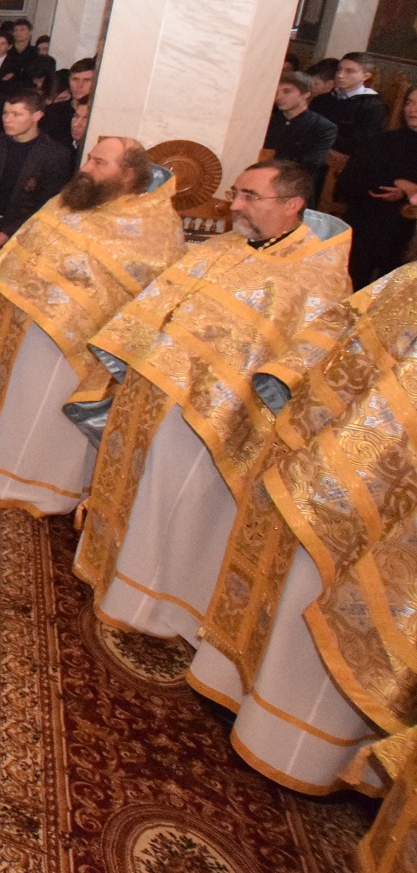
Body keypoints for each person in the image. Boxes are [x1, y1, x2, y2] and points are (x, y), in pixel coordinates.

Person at [71, 161, 351, 651]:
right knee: (141, 487)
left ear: (292, 205)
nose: (234, 206)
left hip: (214, 419)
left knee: (179, 505)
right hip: (154, 395)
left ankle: (155, 604)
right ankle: (112, 575)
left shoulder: (318, 279)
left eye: (249, 197)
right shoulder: (225, 246)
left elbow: (294, 366)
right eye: (235, 193)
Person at [187, 260, 417, 793]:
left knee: (351, 611)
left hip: (375, 491)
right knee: (290, 591)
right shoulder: (407, 279)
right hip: (326, 456)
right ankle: (245, 695)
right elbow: (348, 327)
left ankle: (299, 749)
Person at [0, 136, 184, 514]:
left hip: (74, 345)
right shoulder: (72, 199)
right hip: (21, 321)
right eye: (89, 158)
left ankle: (40, 487)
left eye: (99, 162)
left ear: (127, 174)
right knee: (14, 399)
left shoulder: (155, 226)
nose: (86, 168)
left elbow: (143, 298)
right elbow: (28, 243)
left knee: (44, 412)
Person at [0, 89, 73, 266]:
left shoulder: (55, 154)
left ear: (36, 115)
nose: (8, 119)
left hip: (21, 238)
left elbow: (48, 203)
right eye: (5, 113)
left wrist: (6, 234)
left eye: (16, 114)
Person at [339, 86, 417, 287]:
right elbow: (346, 185)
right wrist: (391, 184)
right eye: (409, 102)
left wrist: (408, 191)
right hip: (369, 218)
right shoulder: (380, 142)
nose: (412, 109)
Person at [266, 73, 337, 197]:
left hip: (295, 188)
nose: (278, 97)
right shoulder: (268, 121)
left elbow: (310, 164)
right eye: (276, 91)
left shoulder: (322, 127)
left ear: (306, 94)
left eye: (286, 91)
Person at [311, 52, 387, 158]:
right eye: (339, 69)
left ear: (365, 76)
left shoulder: (372, 106)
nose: (340, 75)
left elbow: (361, 143)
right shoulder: (322, 100)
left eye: (349, 71)